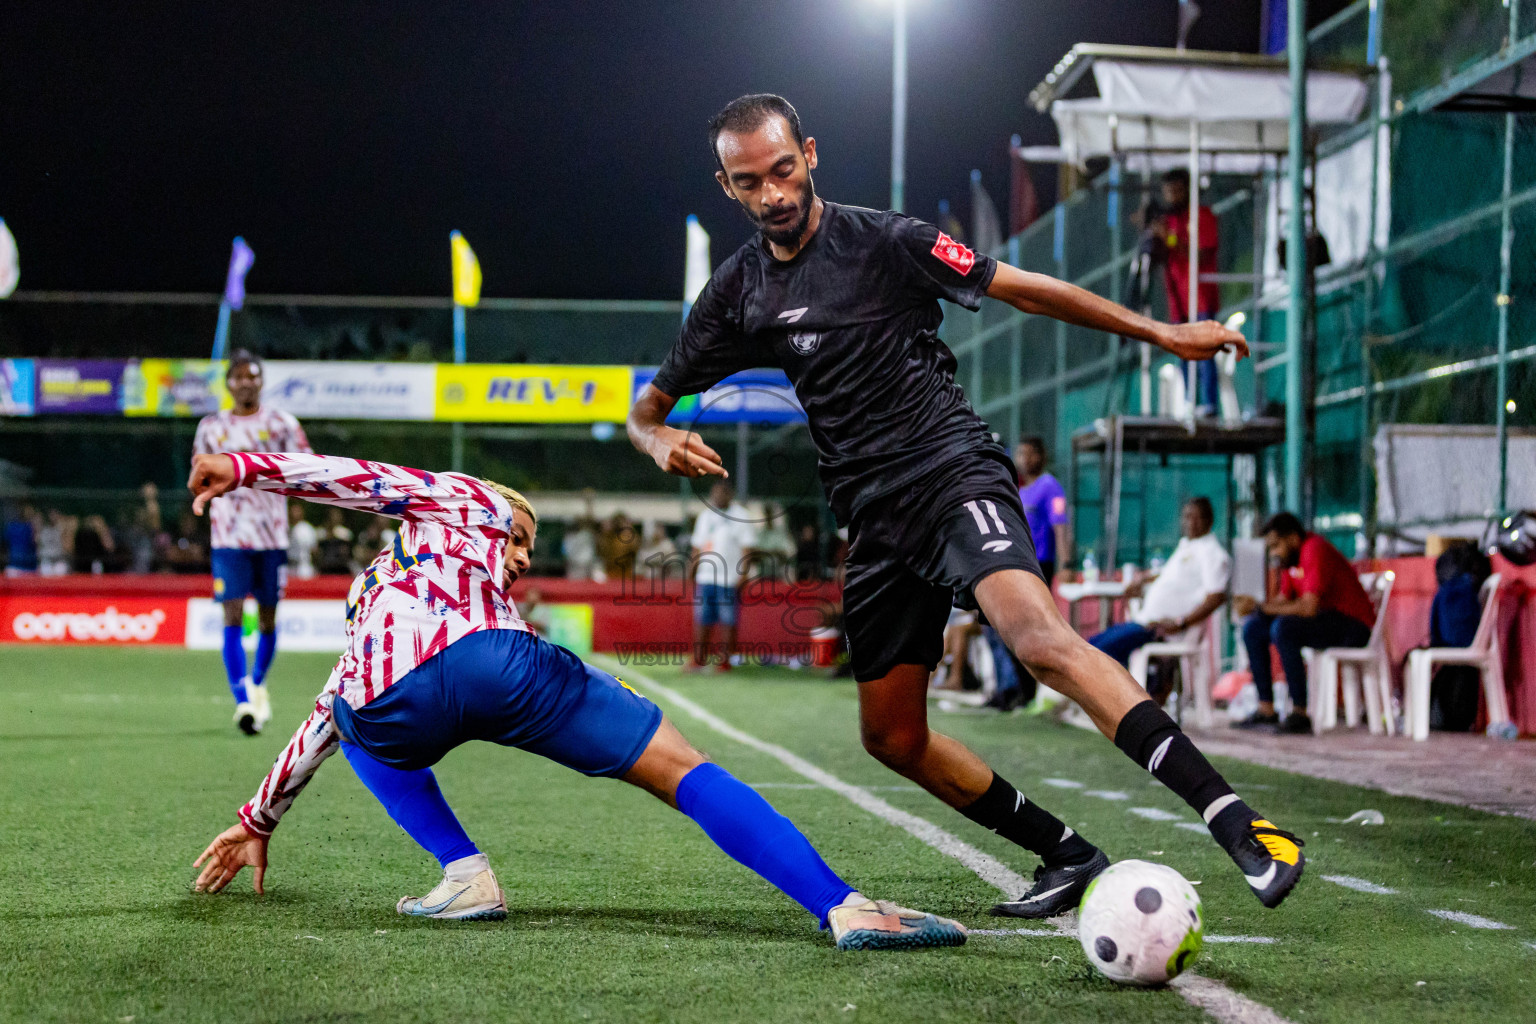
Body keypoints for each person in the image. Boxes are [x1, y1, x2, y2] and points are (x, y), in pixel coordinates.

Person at [626, 93, 1302, 916]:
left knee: (1039, 641)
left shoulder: (890, 241)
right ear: (727, 188)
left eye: (781, 169)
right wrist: (655, 437)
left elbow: (1028, 288)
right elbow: (647, 404)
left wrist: (1164, 334)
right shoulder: (737, 291)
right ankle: (1067, 854)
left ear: (809, 153)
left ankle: (1240, 823)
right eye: (749, 182)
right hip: (873, 521)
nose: (772, 192)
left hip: (950, 470)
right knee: (892, 738)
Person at [185, 450, 965, 952]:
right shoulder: (463, 498)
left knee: (354, 726)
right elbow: (356, 479)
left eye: (527, 546)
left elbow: (328, 710)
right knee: (680, 767)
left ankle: (464, 874)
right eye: (517, 535)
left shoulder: (370, 601)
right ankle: (843, 906)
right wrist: (246, 467)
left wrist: (259, 818)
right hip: (496, 663)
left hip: (388, 700)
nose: (521, 553)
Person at [192, 350, 312, 735]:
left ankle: (258, 683)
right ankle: (242, 698)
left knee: (267, 618)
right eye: (239, 376)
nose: (246, 382)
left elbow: (307, 467)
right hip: (228, 537)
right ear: (229, 383)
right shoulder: (211, 427)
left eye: (253, 376)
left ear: (261, 381)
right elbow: (199, 472)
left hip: (271, 537)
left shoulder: (282, 424)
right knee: (231, 615)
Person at [1233, 512, 1375, 734]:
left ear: (1292, 538)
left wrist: (1263, 607)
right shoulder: (1290, 562)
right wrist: (1256, 608)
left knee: (1284, 628)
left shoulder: (1314, 549)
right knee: (1253, 627)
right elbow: (1283, 602)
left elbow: (1308, 608)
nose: (1274, 554)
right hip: (1325, 621)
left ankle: (1300, 712)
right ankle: (1266, 709)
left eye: (1276, 545)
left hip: (1354, 626)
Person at [1089, 497, 1230, 671]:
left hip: (1158, 629)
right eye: (1187, 517)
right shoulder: (1187, 545)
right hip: (1143, 620)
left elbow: (1216, 597)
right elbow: (1167, 575)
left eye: (1196, 517)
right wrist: (1143, 580)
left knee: (1097, 652)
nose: (1190, 523)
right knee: (1091, 644)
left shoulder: (1212, 553)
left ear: (1209, 520)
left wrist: (1180, 623)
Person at [1154, 168, 1220, 416]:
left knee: (1203, 350)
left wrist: (1169, 239)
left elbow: (1201, 253)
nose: (1172, 196)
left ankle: (1210, 404)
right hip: (1177, 299)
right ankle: (1189, 402)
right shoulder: (1167, 221)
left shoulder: (1202, 216)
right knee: (1182, 352)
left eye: (1177, 190)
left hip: (1200, 296)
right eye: (1168, 191)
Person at [687, 479, 757, 672]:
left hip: (729, 579)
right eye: (715, 493)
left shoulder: (741, 516)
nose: (717, 497)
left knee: (728, 621)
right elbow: (697, 547)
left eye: (722, 493)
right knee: (702, 620)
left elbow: (748, 549)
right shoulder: (705, 516)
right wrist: (692, 570)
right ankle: (698, 659)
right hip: (706, 577)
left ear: (730, 495)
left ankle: (724, 661)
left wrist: (743, 575)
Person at [1014, 438, 1069, 582]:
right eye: (1021, 453)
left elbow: (1061, 527)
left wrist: (1066, 564)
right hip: (1018, 562)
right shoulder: (1020, 491)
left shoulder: (1050, 485)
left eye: (1030, 454)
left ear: (1040, 456)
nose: (1025, 458)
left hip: (1040, 565)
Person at [286, 503, 318, 580]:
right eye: (293, 511)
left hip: (303, 567)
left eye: (297, 511)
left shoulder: (307, 528)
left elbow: (314, 550)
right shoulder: (286, 528)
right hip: (288, 567)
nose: (294, 513)